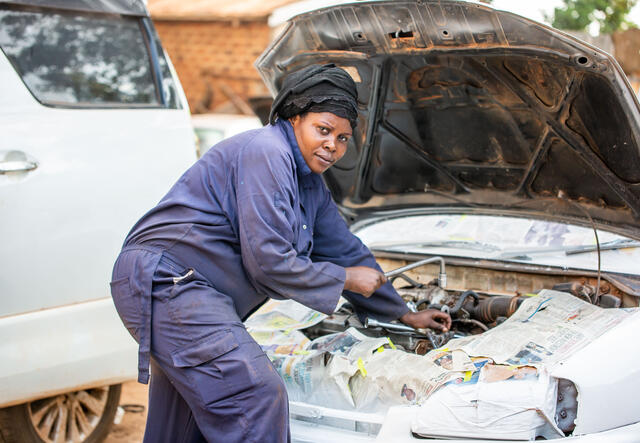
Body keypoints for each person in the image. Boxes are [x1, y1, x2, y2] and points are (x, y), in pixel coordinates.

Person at [110, 64, 452, 443]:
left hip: (185, 292)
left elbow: (345, 249)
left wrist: (404, 312)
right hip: (170, 282)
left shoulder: (310, 185)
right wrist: (344, 279)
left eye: (342, 138)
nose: (333, 146)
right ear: (294, 118)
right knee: (254, 396)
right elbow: (269, 262)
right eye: (323, 130)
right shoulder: (267, 151)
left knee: (180, 424)